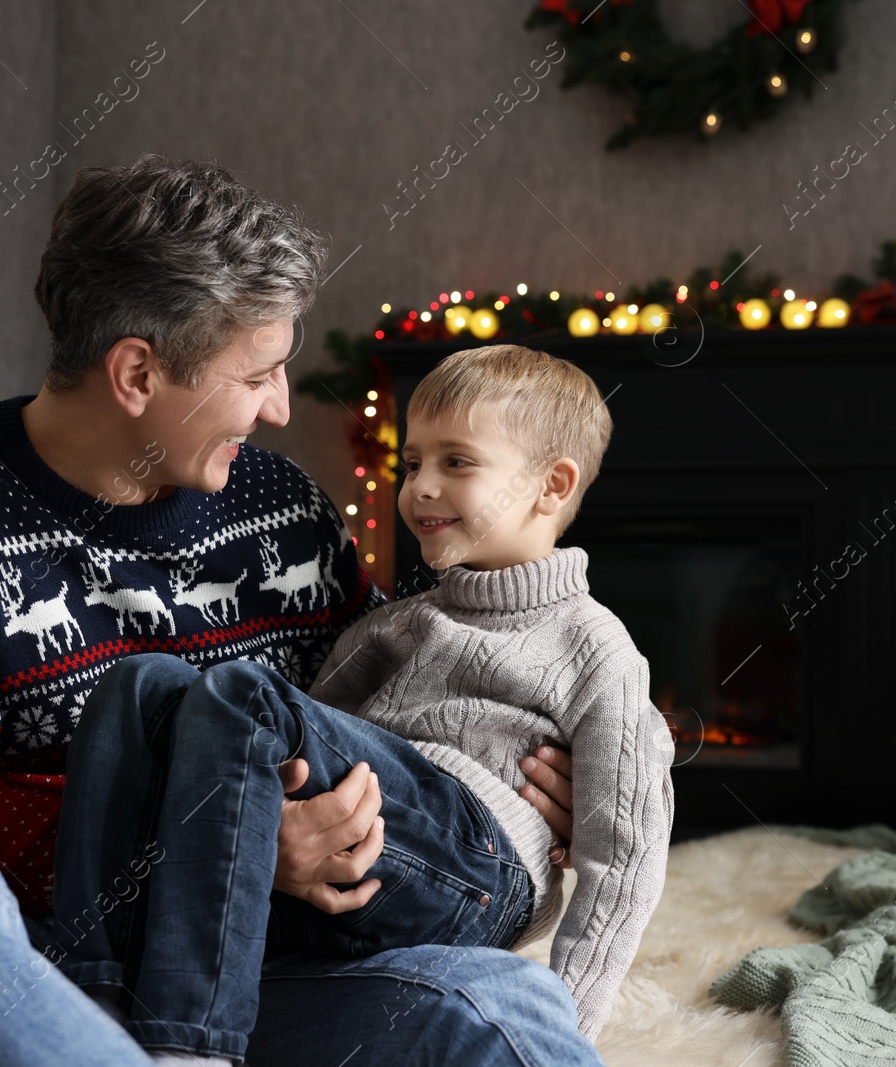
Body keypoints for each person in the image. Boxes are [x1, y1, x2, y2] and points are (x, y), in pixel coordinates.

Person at [0, 155, 599, 1067]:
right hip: (40, 967)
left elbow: (383, 696)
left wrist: (531, 770)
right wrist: (224, 841)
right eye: (259, 375)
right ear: (137, 373)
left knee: (503, 1001)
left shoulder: (279, 506)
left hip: (258, 972)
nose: (282, 409)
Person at [49, 344, 675, 1061]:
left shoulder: (596, 647)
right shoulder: (392, 625)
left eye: (457, 462)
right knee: (142, 683)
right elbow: (305, 736)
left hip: (478, 869)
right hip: (368, 851)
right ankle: (92, 994)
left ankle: (189, 1042)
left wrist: (569, 1019)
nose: (421, 488)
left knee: (240, 691)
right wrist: (263, 817)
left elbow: (625, 852)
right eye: (412, 464)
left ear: (551, 485)